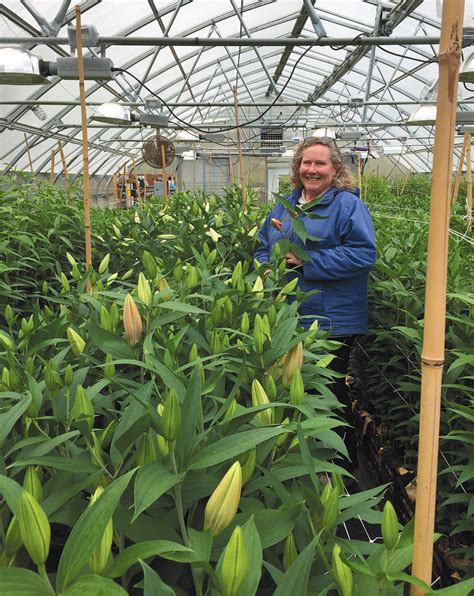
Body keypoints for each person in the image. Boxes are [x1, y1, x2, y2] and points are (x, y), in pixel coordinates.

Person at [255, 137, 376, 473]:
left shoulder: (347, 207)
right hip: (288, 312)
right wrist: (264, 266)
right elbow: (263, 244)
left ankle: (342, 465)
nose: (312, 169)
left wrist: (307, 262)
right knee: (297, 385)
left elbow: (363, 255)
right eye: (306, 163)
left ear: (335, 169)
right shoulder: (286, 205)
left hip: (332, 318)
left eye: (320, 163)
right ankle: (302, 459)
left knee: (328, 389)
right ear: (297, 168)